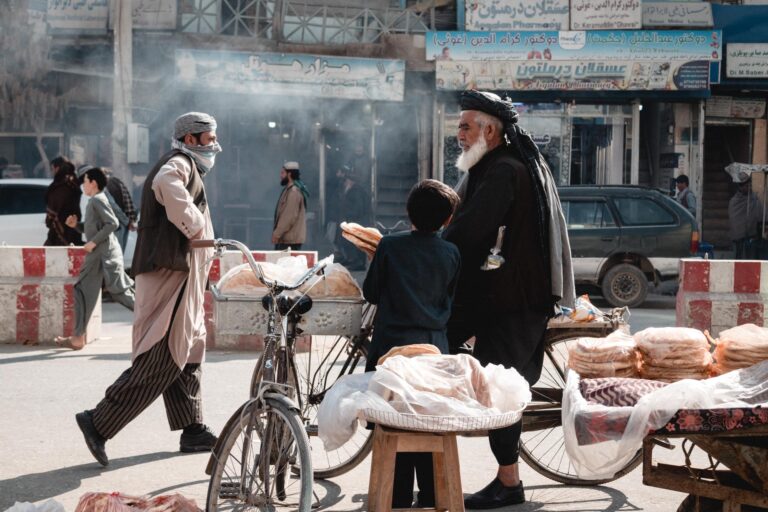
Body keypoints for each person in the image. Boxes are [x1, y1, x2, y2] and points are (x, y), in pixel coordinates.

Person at [442, 90, 574, 509]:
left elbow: (472, 231)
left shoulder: (504, 171)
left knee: (502, 388)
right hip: (497, 294)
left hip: (512, 300)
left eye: (465, 126)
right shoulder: (490, 167)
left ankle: (509, 483)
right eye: (459, 126)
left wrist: (431, 251)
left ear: (490, 131)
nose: (458, 134)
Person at [74, 112, 222, 466]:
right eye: (208, 138)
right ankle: (98, 422)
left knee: (189, 352)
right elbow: (166, 185)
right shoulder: (179, 163)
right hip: (169, 278)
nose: (213, 144)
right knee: (164, 355)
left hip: (185, 279)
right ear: (190, 139)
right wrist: (197, 227)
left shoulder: (191, 166)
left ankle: (192, 427)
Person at [363, 179, 461, 508]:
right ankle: (433, 497)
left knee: (395, 423)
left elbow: (371, 293)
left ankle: (398, 497)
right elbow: (451, 299)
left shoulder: (389, 246)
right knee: (429, 423)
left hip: (392, 348)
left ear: (408, 213)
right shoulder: (450, 252)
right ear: (447, 220)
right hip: (434, 349)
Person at [55, 167, 135, 350]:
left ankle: (154, 321)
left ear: (93, 183)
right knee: (83, 291)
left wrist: (92, 242)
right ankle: (78, 337)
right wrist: (77, 226)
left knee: (119, 292)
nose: (83, 185)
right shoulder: (96, 201)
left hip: (103, 254)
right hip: (101, 254)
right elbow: (97, 227)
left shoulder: (97, 200)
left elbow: (112, 223)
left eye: (85, 181)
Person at [335, 166, 370, 270]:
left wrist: (348, 215)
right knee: (353, 243)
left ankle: (359, 263)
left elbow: (358, 208)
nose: (344, 183)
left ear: (350, 182)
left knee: (356, 244)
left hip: (356, 221)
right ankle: (355, 261)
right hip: (355, 221)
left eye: (346, 181)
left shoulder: (356, 191)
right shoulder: (355, 190)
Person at [44, 156, 84, 246]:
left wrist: (50, 219)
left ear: (57, 168)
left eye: (52, 169)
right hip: (73, 223)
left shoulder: (61, 186)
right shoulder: (72, 182)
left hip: (61, 226)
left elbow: (55, 205)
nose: (52, 172)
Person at [728, 172, 766, 260]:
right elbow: (734, 220)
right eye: (746, 186)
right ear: (740, 187)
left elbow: (761, 214)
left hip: (752, 237)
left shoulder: (754, 199)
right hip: (738, 239)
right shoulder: (734, 201)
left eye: (749, 185)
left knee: (751, 260)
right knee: (739, 260)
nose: (748, 188)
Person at [272, 161, 308, 250]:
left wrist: (277, 234)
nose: (280, 175)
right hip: (287, 240)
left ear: (289, 174)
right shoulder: (289, 190)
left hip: (290, 241)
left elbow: (288, 217)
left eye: (283, 173)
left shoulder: (293, 192)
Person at [105, 169, 138, 252]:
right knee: (119, 254)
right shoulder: (118, 182)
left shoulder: (106, 187)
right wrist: (131, 220)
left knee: (114, 255)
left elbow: (114, 207)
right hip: (124, 223)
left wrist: (127, 221)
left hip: (115, 224)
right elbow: (130, 204)